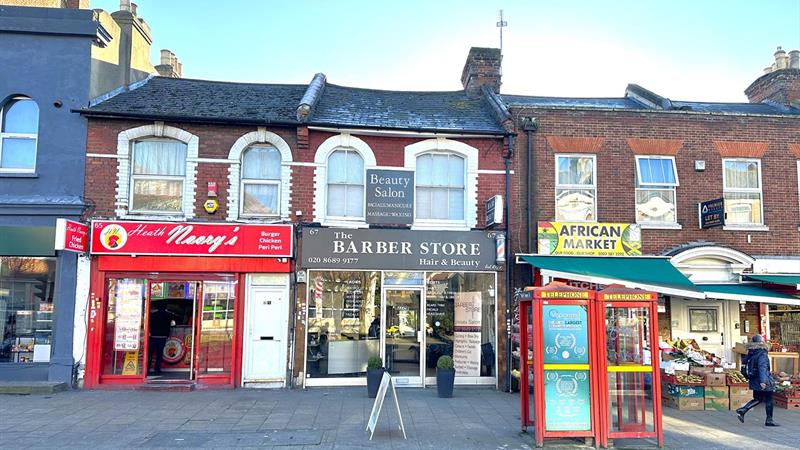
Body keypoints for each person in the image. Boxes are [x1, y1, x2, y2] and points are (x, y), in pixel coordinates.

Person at [736, 334, 778, 426]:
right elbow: (762, 367)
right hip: (763, 379)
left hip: (754, 379)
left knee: (758, 398)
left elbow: (743, 367)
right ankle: (769, 420)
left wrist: (748, 378)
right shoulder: (762, 353)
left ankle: (742, 410)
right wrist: (763, 381)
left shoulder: (750, 353)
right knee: (769, 399)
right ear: (762, 342)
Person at [148, 305, 175, 375]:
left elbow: (149, 324)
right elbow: (173, 323)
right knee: (159, 354)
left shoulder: (152, 315)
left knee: (150, 354)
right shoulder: (169, 315)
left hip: (153, 336)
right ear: (165, 308)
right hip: (163, 336)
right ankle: (157, 370)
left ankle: (147, 369)